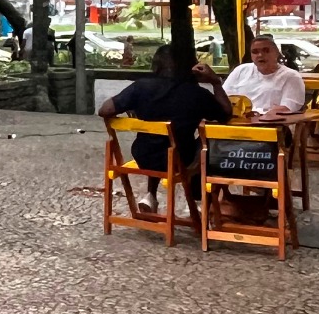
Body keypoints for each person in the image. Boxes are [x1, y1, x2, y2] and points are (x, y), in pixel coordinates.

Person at [97, 45, 232, 214]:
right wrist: (215, 82)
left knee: (160, 142)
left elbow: (104, 110)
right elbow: (226, 115)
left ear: (156, 66)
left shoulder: (140, 87)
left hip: (144, 156)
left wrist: (130, 106)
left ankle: (150, 195)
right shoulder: (197, 94)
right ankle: (198, 201)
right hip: (181, 160)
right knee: (207, 142)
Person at [223, 36, 306, 115]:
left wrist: (258, 116)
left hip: (272, 122)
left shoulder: (291, 77)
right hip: (237, 120)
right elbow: (223, 98)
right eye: (255, 52)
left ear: (277, 53)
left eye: (266, 51)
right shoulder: (241, 70)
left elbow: (288, 108)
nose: (260, 55)